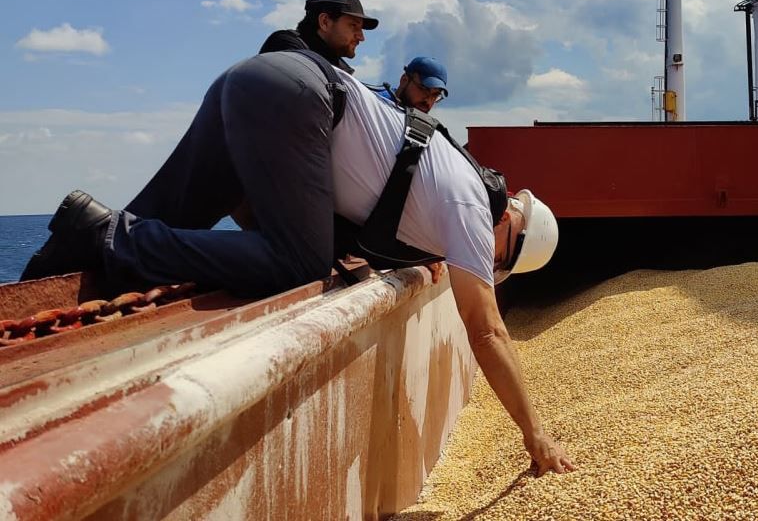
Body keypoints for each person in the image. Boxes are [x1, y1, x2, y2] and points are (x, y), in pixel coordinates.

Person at [20, 50, 574, 474]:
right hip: (299, 100)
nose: (486, 267)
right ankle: (103, 230)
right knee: (297, 263)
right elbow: (488, 332)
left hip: (262, 80)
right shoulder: (475, 209)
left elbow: (386, 200)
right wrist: (536, 435)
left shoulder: (452, 178)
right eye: (499, 263)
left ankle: (71, 252)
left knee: (169, 217)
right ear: (510, 231)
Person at [259, 0, 378, 74]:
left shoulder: (338, 67)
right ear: (325, 22)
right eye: (353, 26)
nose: (361, 37)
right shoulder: (285, 47)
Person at [371, 56, 449, 112]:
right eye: (424, 89)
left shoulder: (423, 127)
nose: (428, 101)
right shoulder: (374, 104)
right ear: (404, 80)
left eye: (435, 95)